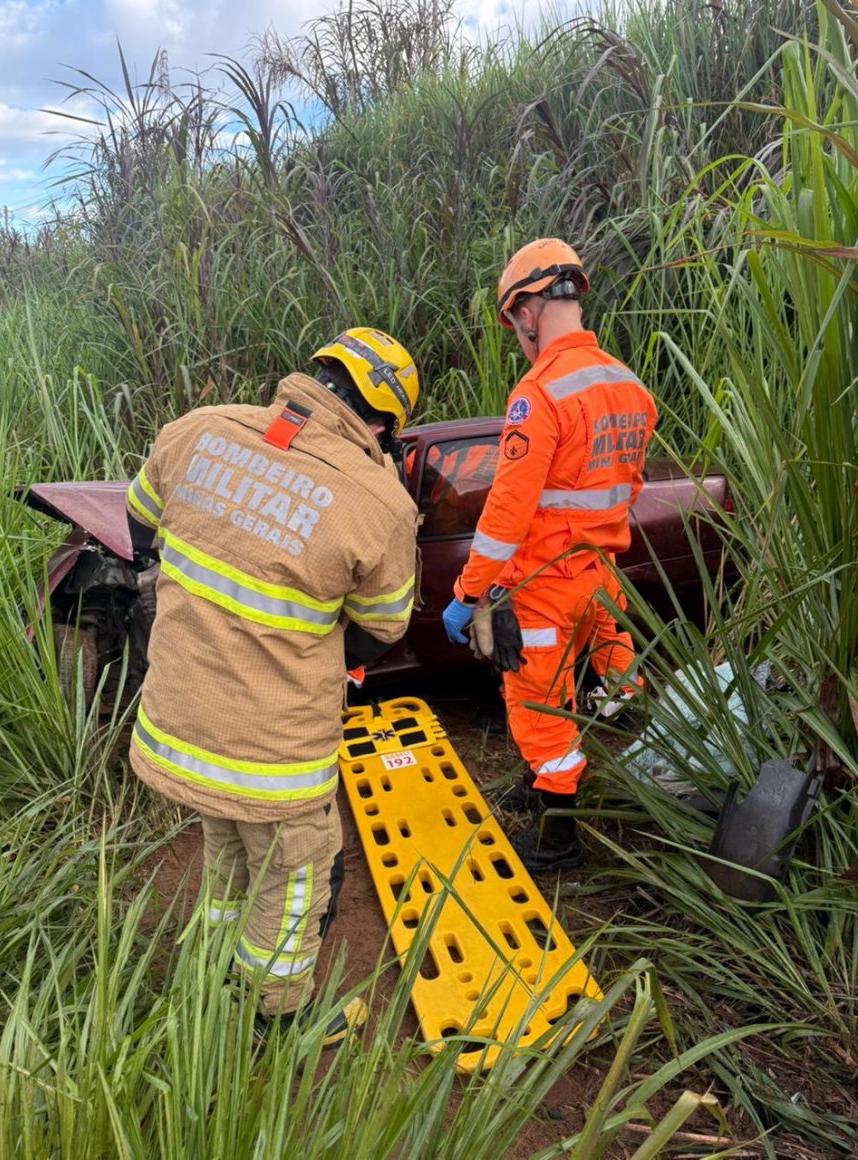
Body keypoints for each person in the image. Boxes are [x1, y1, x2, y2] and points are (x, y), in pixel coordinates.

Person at [126, 327, 421, 1044]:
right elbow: (385, 626)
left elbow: (138, 525)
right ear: (382, 423)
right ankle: (274, 1022)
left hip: (174, 727)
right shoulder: (378, 502)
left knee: (226, 848)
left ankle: (210, 973)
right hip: (273, 751)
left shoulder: (198, 430)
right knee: (295, 878)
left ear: (316, 375)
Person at [441, 239, 657, 873]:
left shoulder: (540, 393)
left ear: (528, 308)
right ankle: (541, 789)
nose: (517, 335)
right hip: (600, 578)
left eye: (514, 323)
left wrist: (469, 593)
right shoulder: (628, 386)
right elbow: (628, 490)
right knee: (567, 694)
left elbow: (505, 515)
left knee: (539, 712)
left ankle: (558, 837)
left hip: (543, 585)